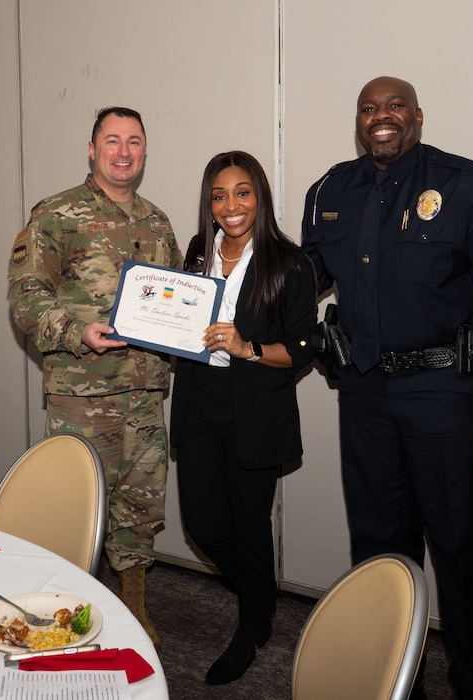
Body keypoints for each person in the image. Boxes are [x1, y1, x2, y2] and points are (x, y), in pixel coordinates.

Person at [301, 77, 473, 699]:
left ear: (418, 117)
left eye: (394, 106)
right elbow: (301, 282)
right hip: (365, 401)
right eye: (368, 108)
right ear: (357, 121)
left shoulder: (469, 189)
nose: (381, 117)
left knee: (461, 554)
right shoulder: (331, 192)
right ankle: (392, 684)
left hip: (448, 402)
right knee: (380, 553)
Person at [7, 106, 183, 648]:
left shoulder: (157, 221)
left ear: (145, 150)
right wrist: (78, 330)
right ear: (92, 148)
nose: (123, 151)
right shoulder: (56, 214)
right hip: (83, 394)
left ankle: (132, 603)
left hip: (145, 393)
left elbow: (175, 299)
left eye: (134, 140)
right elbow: (25, 296)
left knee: (141, 505)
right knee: (78, 503)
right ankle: (65, 610)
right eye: (112, 140)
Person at [170, 151, 317, 685]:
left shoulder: (288, 262)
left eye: (242, 192)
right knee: (203, 524)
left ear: (260, 196)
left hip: (253, 409)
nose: (230, 206)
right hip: (199, 402)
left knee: (249, 528)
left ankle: (251, 625)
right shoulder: (195, 251)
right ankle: (263, 596)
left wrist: (247, 345)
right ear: (208, 204)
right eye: (218, 195)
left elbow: (301, 350)